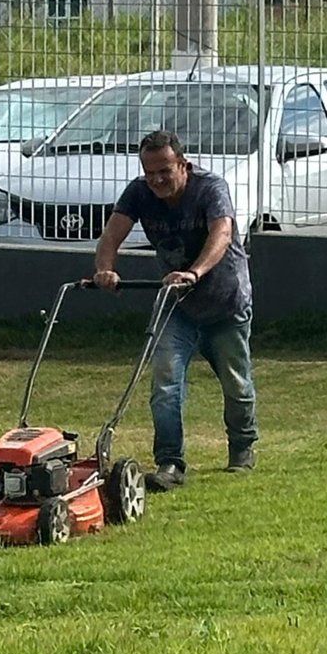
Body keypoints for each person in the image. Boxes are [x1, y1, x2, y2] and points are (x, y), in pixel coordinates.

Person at [92, 130, 257, 490]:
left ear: (183, 164)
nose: (156, 181)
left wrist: (194, 272)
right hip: (176, 305)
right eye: (149, 173)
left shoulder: (210, 188)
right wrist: (105, 269)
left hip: (224, 301)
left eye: (164, 171)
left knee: (236, 382)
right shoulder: (139, 192)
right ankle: (170, 463)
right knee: (165, 384)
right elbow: (112, 236)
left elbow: (222, 234)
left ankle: (242, 448)